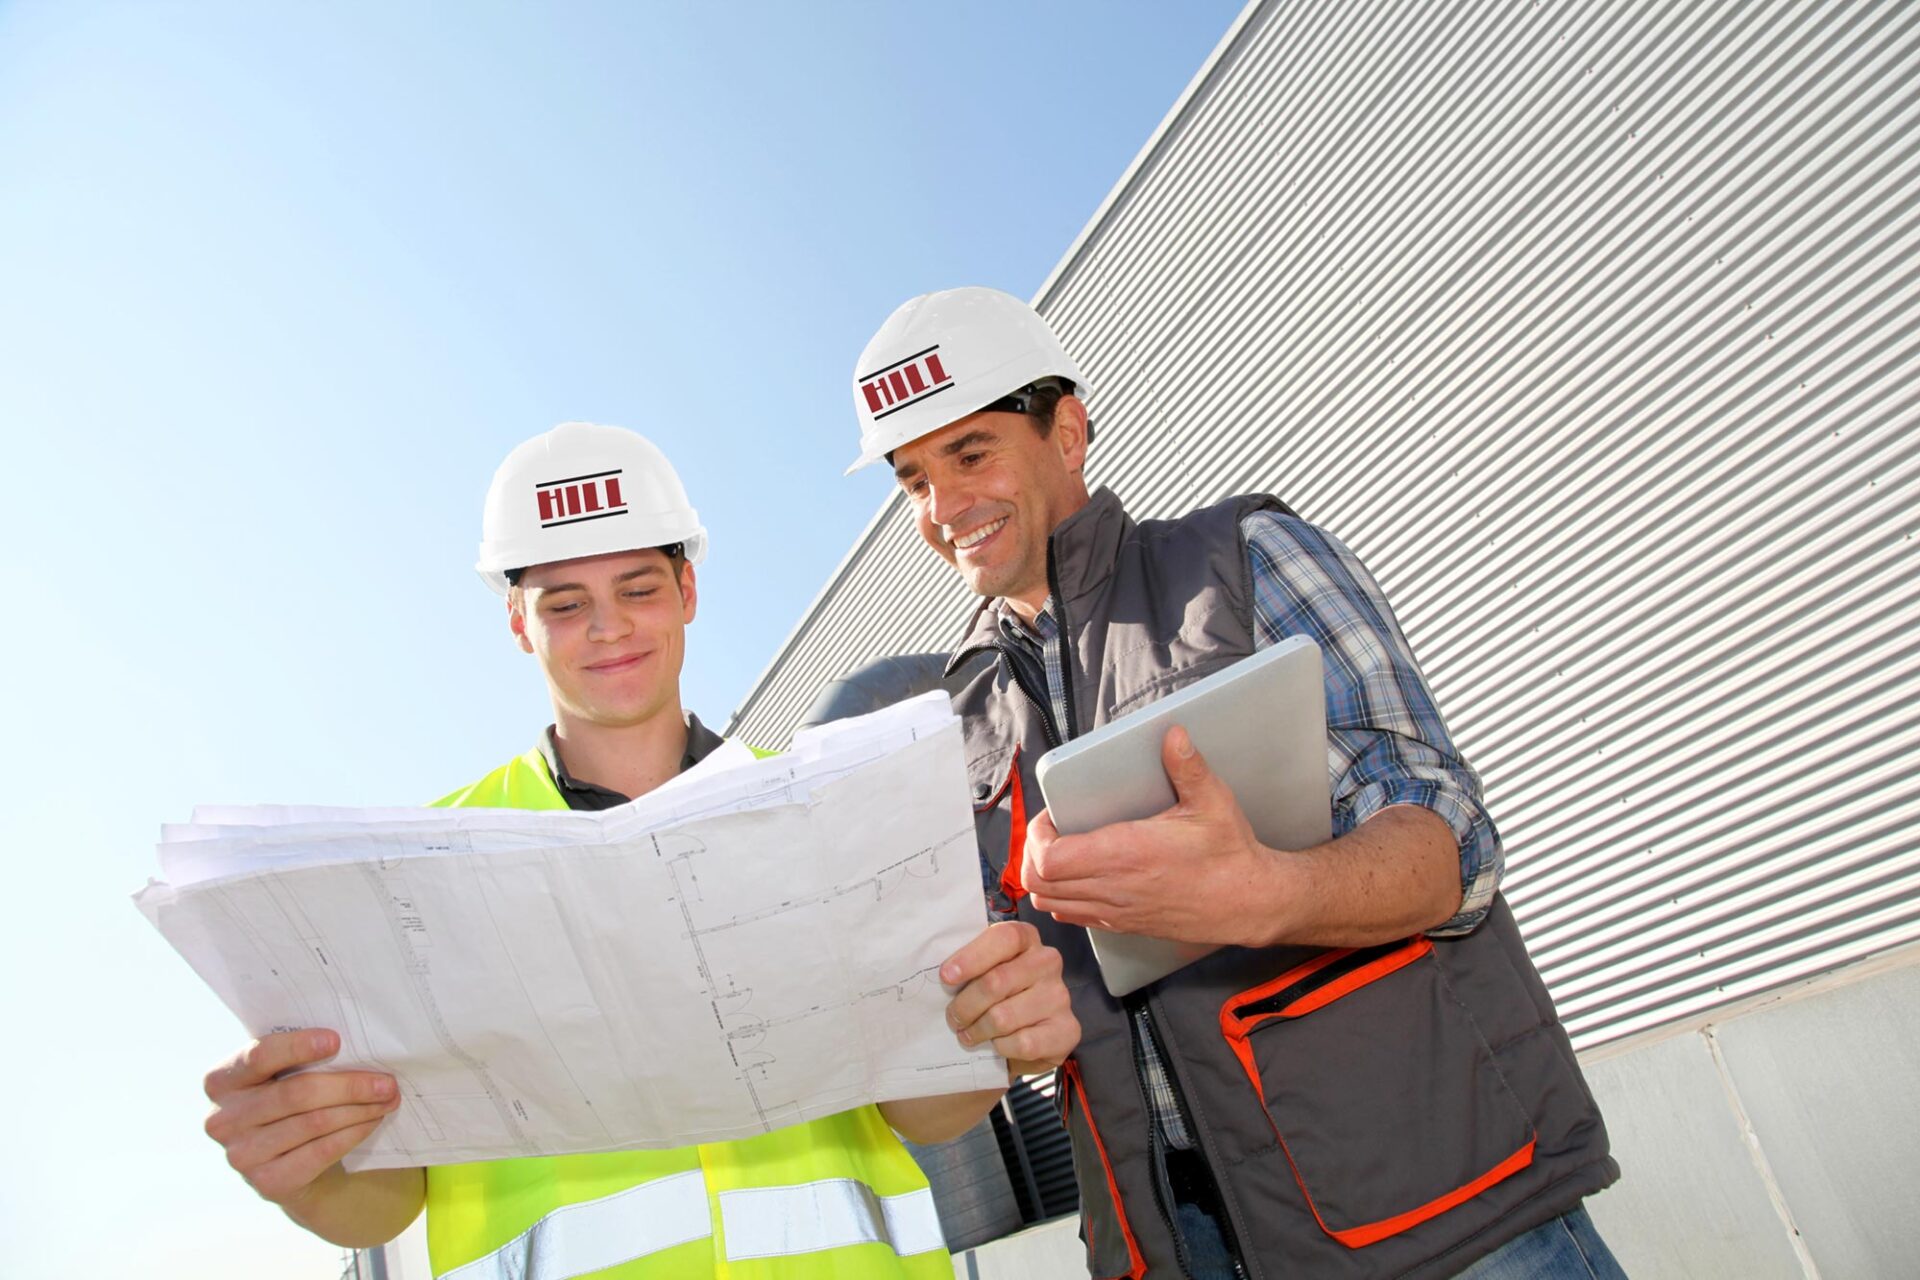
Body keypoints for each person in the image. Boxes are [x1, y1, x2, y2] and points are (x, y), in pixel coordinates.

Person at [847, 289, 1623, 1279]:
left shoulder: (1242, 563)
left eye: (971, 453)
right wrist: (987, 1023)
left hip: (1438, 1215)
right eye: (912, 478)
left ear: (1069, 430)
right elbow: (1005, 1013)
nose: (943, 507)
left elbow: (1451, 836)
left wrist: (1272, 889)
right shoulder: (963, 726)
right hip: (1181, 1245)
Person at [200, 421, 1080, 1278]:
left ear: (687, 592)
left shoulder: (827, 809)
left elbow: (922, 1110)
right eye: (565, 603)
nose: (609, 627)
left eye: (638, 589)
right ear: (518, 623)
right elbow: (387, 1203)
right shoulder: (418, 876)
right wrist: (303, 1169)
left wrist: (996, 1036)